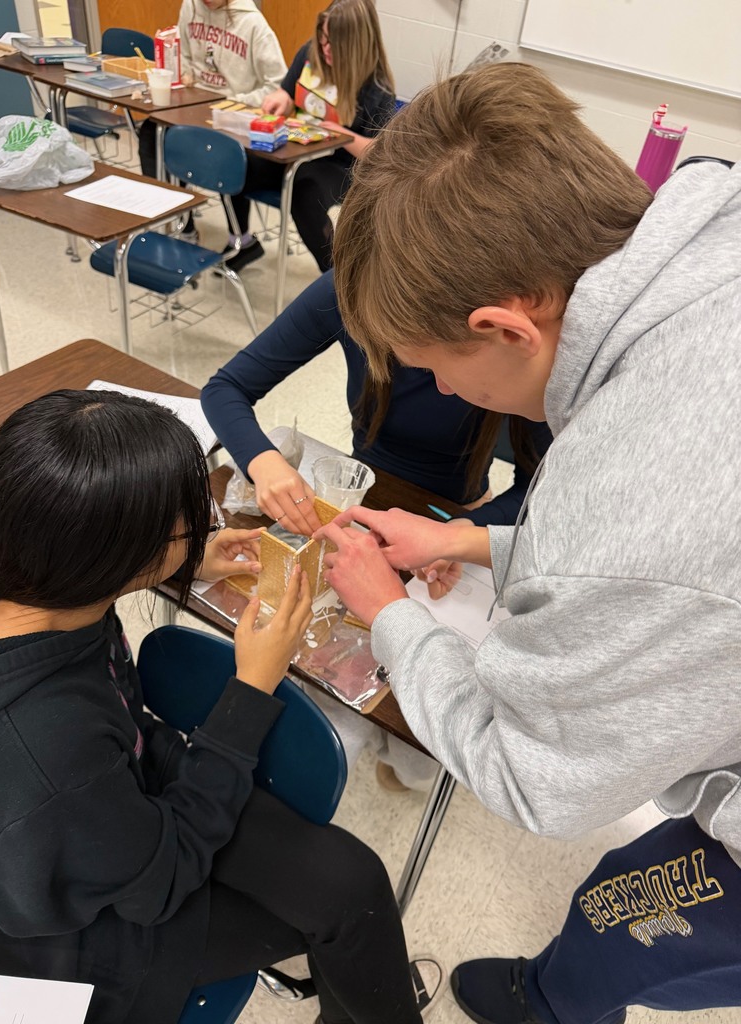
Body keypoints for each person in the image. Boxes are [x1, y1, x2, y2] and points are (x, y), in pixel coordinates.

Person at [312, 63, 741, 1024]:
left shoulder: (631, 513)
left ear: (505, 325)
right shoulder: (709, 238)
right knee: (623, 888)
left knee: (627, 918)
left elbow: (529, 776)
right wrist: (471, 539)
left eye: (441, 373)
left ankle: (544, 1008)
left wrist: (386, 617)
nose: (452, 398)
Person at [0, 390, 440, 1024]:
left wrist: (180, 567)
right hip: (89, 932)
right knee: (347, 917)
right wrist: (251, 689)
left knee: (351, 882)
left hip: (110, 800)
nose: (200, 536)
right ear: (107, 559)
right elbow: (160, 881)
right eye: (187, 530)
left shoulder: (19, 580)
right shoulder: (49, 755)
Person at [201, 268, 552, 791]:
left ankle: (404, 764)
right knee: (328, 652)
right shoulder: (352, 289)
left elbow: (538, 492)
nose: (441, 384)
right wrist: (263, 461)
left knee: (425, 698)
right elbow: (227, 387)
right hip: (364, 499)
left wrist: (462, 531)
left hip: (446, 516)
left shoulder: (511, 343)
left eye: (443, 368)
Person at [224, 0, 396, 273]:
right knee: (232, 161)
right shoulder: (310, 52)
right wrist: (279, 99)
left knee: (305, 189)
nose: (325, 49)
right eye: (323, 39)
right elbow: (287, 92)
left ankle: (336, 279)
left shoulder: (376, 85)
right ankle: (242, 240)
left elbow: (378, 153)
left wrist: (340, 133)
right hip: (293, 149)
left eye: (335, 45)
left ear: (356, 45)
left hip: (338, 166)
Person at [138, 0, 286, 238]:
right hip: (194, 104)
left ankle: (241, 238)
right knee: (151, 133)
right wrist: (185, 75)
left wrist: (235, 101)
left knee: (215, 149)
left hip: (233, 112)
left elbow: (278, 86)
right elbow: (184, 54)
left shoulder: (253, 23)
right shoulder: (191, 6)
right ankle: (180, 224)